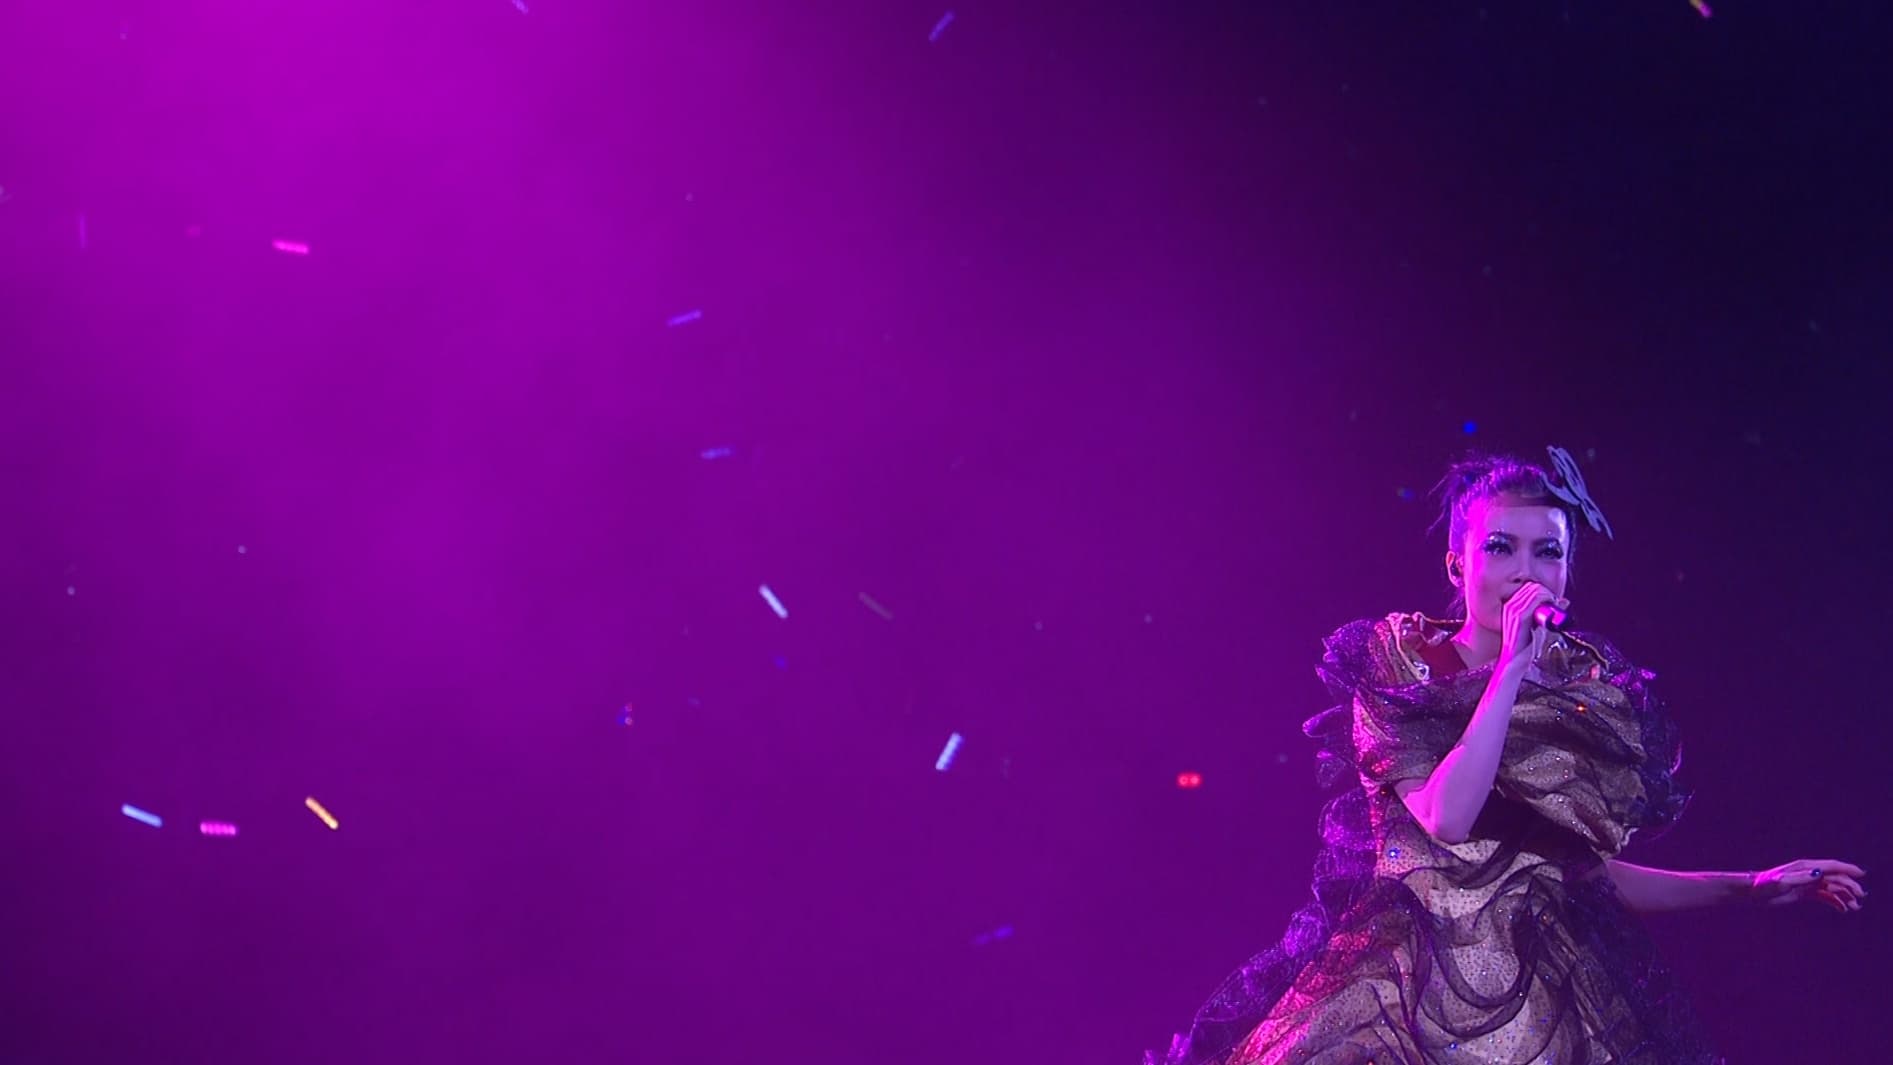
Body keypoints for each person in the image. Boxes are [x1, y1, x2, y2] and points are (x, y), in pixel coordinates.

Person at [1146, 447, 1867, 1065]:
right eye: (1500, 547)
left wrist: (1749, 886)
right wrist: (1510, 671)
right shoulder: (1402, 663)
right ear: (1456, 564)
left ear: (1568, 571)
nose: (1525, 570)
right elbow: (1447, 817)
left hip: (1534, 1010)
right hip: (1398, 997)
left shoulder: (1580, 697)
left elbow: (1578, 878)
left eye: (1547, 551)